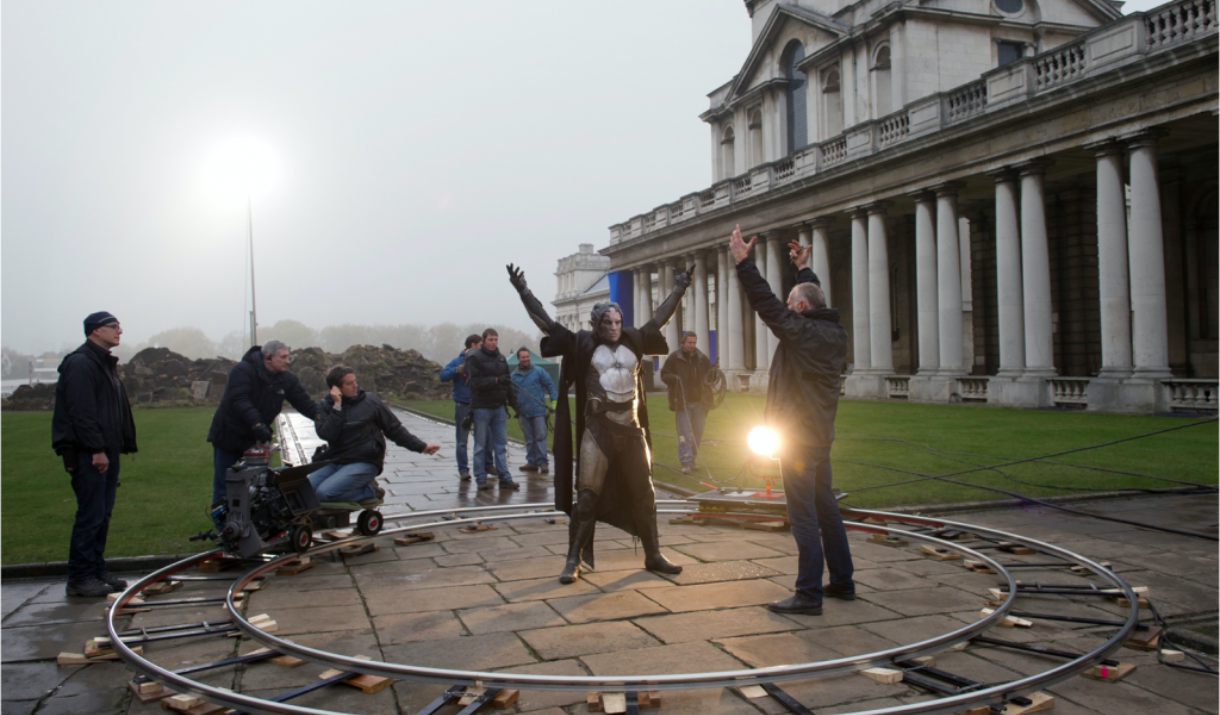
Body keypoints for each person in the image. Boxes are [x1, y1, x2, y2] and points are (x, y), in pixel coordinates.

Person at [507, 261, 691, 584]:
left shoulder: (633, 339)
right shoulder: (581, 342)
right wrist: (523, 291)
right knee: (588, 496)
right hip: (599, 428)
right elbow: (547, 323)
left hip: (631, 428)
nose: (614, 326)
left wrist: (679, 288)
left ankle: (653, 553)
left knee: (645, 493)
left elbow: (660, 318)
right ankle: (572, 559)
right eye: (608, 321)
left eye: (618, 320)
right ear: (596, 323)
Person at [730, 224, 854, 616]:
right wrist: (803, 270)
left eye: (791, 301)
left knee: (802, 515)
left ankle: (808, 593)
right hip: (819, 435)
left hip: (798, 438)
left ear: (799, 309)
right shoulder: (834, 333)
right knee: (826, 509)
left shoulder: (802, 332)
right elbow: (815, 299)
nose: (786, 306)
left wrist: (743, 263)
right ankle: (843, 582)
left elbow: (765, 303)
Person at [52, 312, 138, 597]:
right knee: (90, 514)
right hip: (88, 453)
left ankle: (95, 569)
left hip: (107, 451)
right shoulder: (81, 363)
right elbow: (82, 413)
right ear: (94, 331)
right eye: (113, 327)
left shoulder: (103, 364)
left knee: (102, 514)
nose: (119, 331)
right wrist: (96, 450)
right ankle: (79, 576)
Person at [206, 340, 321, 505]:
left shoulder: (286, 379)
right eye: (283, 357)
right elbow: (239, 399)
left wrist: (323, 417)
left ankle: (252, 523)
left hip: (256, 439)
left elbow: (304, 403)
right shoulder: (242, 370)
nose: (287, 361)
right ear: (268, 357)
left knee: (260, 485)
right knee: (225, 484)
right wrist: (257, 423)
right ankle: (225, 528)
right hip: (228, 435)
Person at [310, 365, 440, 503]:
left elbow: (394, 429)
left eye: (355, 381)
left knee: (324, 493)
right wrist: (337, 406)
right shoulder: (325, 406)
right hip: (335, 460)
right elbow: (327, 434)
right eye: (349, 383)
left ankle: (370, 491)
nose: (355, 386)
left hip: (364, 461)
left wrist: (421, 446)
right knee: (306, 490)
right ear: (335, 388)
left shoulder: (370, 402)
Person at [464, 328, 520, 491]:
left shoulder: (501, 358)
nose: (493, 342)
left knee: (501, 445)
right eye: (490, 340)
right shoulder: (475, 358)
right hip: (482, 406)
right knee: (480, 445)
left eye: (496, 339)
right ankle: (481, 478)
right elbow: (476, 382)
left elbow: (507, 383)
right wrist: (496, 380)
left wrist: (514, 404)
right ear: (483, 340)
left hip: (499, 407)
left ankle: (504, 477)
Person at [439, 335, 497, 481]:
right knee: (462, 440)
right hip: (463, 405)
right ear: (472, 345)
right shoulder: (457, 361)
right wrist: (456, 371)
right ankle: (463, 470)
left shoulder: (481, 360)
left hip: (480, 405)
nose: (482, 347)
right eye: (480, 344)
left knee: (487, 437)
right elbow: (442, 376)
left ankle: (488, 464)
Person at [660, 331, 712, 474]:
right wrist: (674, 378)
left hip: (700, 402)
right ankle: (685, 462)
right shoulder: (673, 358)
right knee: (684, 434)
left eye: (694, 343)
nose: (692, 346)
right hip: (682, 402)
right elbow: (664, 375)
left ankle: (692, 459)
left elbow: (710, 374)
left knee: (698, 433)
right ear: (683, 342)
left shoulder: (702, 358)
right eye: (689, 343)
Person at [511, 347, 557, 474]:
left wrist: (554, 401)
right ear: (518, 359)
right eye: (523, 357)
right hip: (523, 412)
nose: (525, 359)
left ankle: (543, 463)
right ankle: (532, 462)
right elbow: (510, 394)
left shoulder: (539, 371)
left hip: (538, 411)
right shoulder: (513, 376)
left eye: (527, 357)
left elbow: (550, 385)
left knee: (540, 437)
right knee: (529, 439)